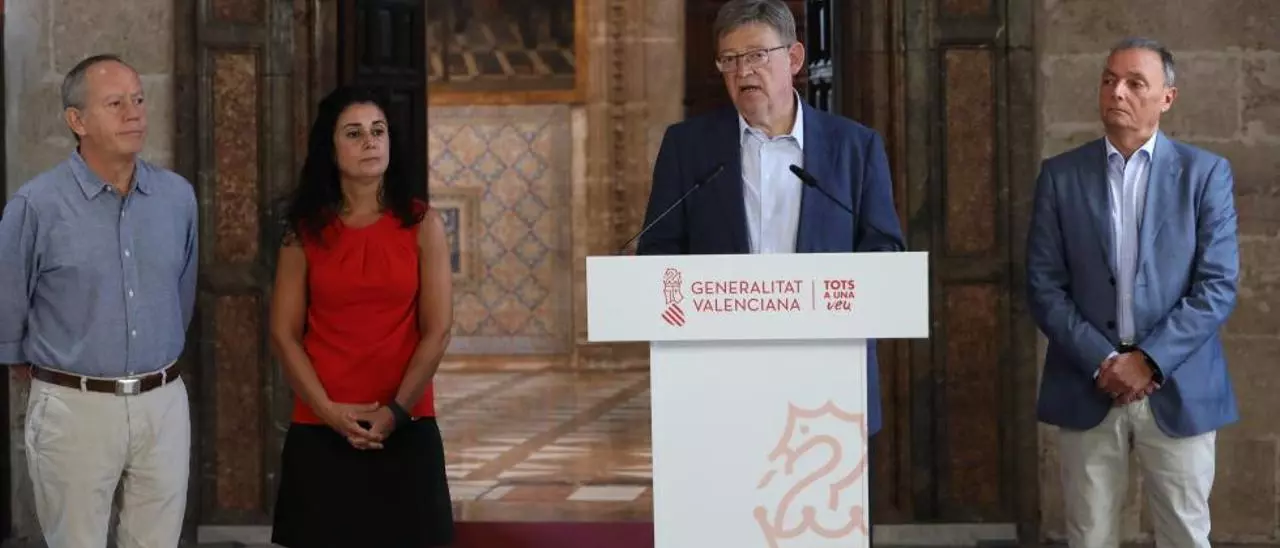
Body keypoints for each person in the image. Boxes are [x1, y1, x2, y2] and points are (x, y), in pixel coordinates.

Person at [636, 0, 905, 437]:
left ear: (793, 59)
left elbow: (885, 250)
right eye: (729, 60)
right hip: (718, 378)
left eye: (757, 55)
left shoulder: (854, 147)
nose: (743, 71)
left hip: (827, 379)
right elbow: (658, 250)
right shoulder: (688, 147)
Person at [1027, 37, 1239, 548]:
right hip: (1088, 383)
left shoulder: (1204, 175)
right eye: (1108, 80)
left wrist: (1148, 360)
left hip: (1178, 385)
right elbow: (1043, 284)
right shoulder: (1060, 176)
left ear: (1167, 97)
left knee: (1185, 534)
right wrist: (1103, 361)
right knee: (1089, 536)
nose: (1116, 92)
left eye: (1134, 83)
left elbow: (1216, 285)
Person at [0, 54, 197, 547]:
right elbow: (8, 311)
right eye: (115, 103)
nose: (134, 113)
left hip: (163, 402)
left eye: (138, 99)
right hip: (74, 407)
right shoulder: (36, 205)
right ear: (77, 120)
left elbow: (181, 296)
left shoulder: (177, 198)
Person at [268, 86, 455, 548]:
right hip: (322, 427)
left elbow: (437, 330)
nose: (370, 141)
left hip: (406, 424)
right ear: (330, 149)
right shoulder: (304, 232)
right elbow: (284, 333)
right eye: (354, 133)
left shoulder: (423, 224)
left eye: (378, 130)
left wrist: (396, 412)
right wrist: (329, 412)